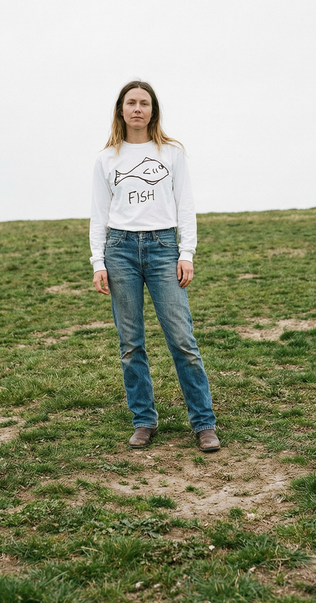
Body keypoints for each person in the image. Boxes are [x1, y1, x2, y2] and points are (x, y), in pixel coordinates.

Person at [89, 81, 220, 452]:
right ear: (120, 109)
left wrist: (187, 253)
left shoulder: (171, 153)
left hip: (164, 248)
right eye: (131, 102)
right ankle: (144, 420)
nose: (137, 109)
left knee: (182, 339)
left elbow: (186, 205)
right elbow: (99, 215)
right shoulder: (106, 159)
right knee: (131, 344)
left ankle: (204, 423)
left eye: (144, 103)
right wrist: (98, 261)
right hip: (120, 249)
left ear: (153, 110)